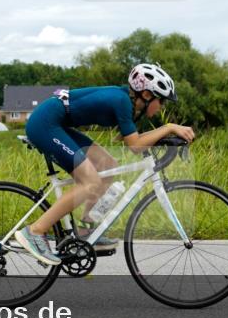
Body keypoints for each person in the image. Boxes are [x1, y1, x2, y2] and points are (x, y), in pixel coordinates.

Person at [15, 63, 195, 265]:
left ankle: (84, 230)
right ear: (146, 95)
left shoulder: (127, 102)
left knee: (107, 165)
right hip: (45, 124)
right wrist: (169, 128)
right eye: (161, 101)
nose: (161, 106)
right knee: (89, 181)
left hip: (57, 122)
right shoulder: (122, 102)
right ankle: (34, 231)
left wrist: (163, 135)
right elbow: (135, 146)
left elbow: (128, 139)